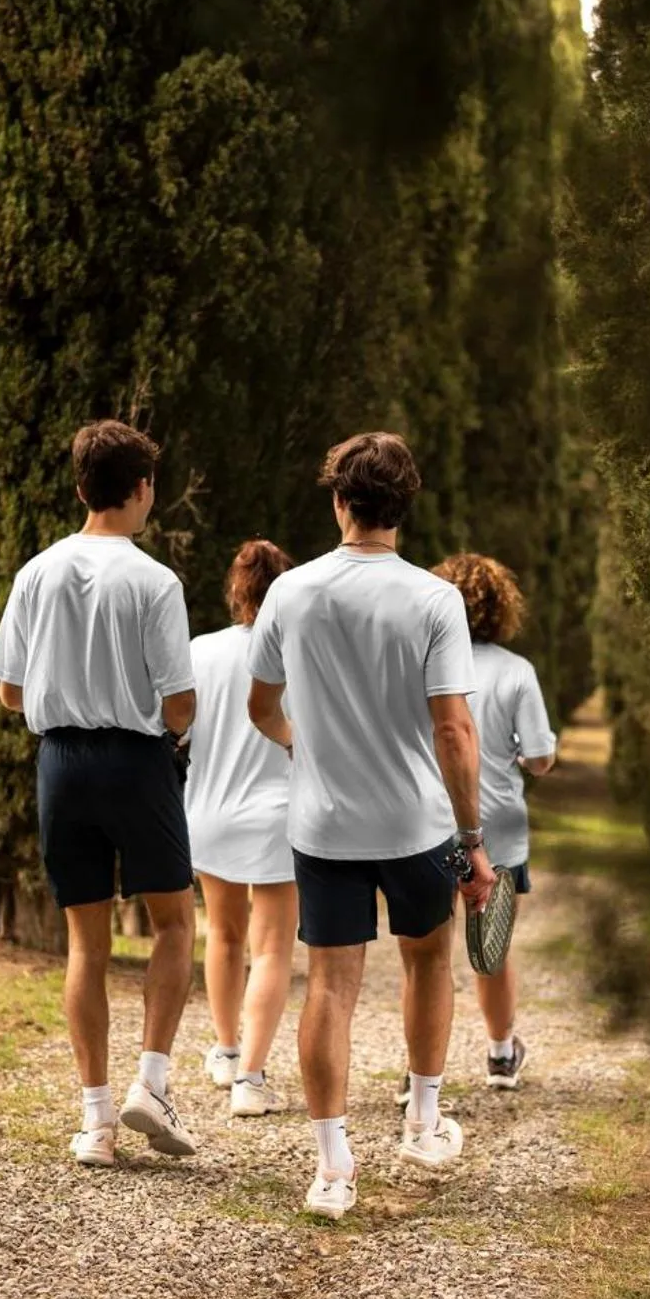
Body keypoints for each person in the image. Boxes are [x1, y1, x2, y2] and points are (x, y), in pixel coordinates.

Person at [247, 431, 495, 1220]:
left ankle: (331, 1170)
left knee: (328, 986)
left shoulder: (290, 592)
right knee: (428, 964)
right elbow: (453, 730)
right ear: (404, 507)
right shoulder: (432, 599)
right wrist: (473, 840)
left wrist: (304, 745)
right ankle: (421, 1124)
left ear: (337, 500)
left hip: (321, 825)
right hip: (416, 825)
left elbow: (261, 707)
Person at [0, 419, 200, 1168]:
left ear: (80, 488)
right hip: (135, 761)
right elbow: (178, 702)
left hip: (60, 763)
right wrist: (173, 733)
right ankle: (153, 1082)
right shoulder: (154, 580)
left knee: (85, 942)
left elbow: (10, 693)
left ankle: (96, 1123)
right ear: (141, 490)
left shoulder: (34, 573)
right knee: (173, 924)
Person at [427, 553, 555, 1089]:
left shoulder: (424, 661)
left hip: (432, 818)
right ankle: (501, 1055)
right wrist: (526, 756)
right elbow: (542, 756)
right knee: (492, 941)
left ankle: (422, 1065)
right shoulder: (517, 671)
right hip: (498, 822)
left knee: (429, 949)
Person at [187, 539, 298, 1116]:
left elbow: (177, 726)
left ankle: (227, 1050)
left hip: (208, 812)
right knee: (273, 947)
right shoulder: (301, 654)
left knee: (223, 936)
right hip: (278, 816)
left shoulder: (199, 651)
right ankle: (251, 1082)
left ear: (235, 591)